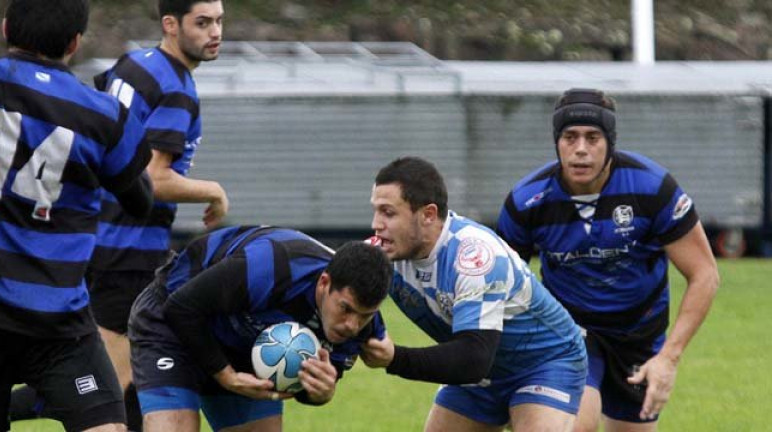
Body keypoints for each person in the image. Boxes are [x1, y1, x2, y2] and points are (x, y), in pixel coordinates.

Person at [0, 0, 154, 431]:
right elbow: (140, 201)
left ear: (5, 28)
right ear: (75, 43)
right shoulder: (103, 114)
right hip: (58, 317)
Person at [9, 1, 228, 429]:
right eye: (202, 23)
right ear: (171, 25)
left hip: (96, 238)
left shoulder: (134, 64)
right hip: (127, 250)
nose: (215, 32)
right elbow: (153, 179)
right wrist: (214, 192)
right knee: (107, 382)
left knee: (128, 379)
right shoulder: (177, 88)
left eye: (219, 21)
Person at [497, 88, 719, 431]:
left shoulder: (652, 188)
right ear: (556, 142)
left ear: (610, 142)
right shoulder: (528, 201)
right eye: (570, 137)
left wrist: (669, 358)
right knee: (576, 424)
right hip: (569, 330)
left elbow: (704, 274)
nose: (581, 149)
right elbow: (502, 285)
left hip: (639, 334)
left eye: (593, 137)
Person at [363, 156, 587, 432]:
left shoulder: (475, 256)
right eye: (375, 211)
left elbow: (473, 359)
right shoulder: (381, 254)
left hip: (545, 362)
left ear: (428, 215)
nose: (376, 224)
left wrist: (395, 358)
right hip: (483, 368)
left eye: (388, 213)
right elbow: (328, 285)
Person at [128, 226, 391, 431]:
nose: (351, 325)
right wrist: (226, 376)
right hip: (171, 322)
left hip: (244, 347)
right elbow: (181, 307)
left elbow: (305, 389)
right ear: (324, 283)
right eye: (345, 309)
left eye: (365, 315)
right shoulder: (273, 266)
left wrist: (319, 392)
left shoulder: (363, 329)